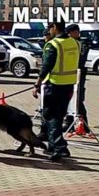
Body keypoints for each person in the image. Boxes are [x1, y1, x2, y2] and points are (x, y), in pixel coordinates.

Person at [33, 22, 79, 162]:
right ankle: (54, 146)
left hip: (54, 85)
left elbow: (46, 66)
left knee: (50, 116)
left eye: (49, 28)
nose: (49, 31)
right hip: (69, 85)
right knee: (58, 116)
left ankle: (59, 148)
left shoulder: (53, 44)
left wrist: (37, 84)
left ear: (54, 27)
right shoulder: (75, 43)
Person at [63, 24, 91, 132]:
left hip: (78, 75)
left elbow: (81, 59)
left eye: (70, 33)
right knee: (69, 99)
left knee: (78, 100)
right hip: (69, 75)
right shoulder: (70, 43)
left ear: (76, 32)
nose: (69, 35)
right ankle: (69, 123)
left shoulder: (82, 44)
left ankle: (84, 124)